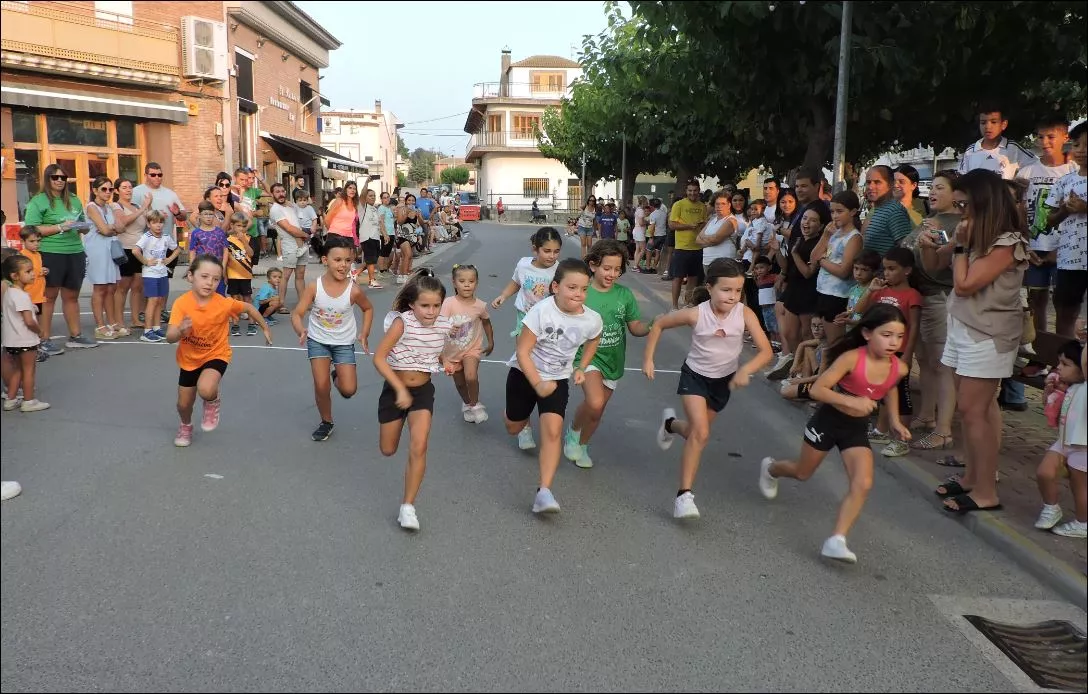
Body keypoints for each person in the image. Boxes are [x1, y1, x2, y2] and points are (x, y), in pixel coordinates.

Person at [759, 304, 912, 563]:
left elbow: (890, 388)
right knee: (802, 473)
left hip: (855, 429)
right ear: (866, 334)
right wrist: (853, 402)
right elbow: (819, 389)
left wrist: (895, 421)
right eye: (886, 335)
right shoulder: (851, 358)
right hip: (828, 421)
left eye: (899, 336)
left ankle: (836, 539)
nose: (893, 342)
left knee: (862, 483)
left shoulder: (900, 368)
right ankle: (771, 468)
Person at [643, 259, 774, 519]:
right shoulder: (695, 314)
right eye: (726, 290)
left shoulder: (744, 314)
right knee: (701, 434)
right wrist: (648, 358)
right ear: (710, 287)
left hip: (722, 382)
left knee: (694, 432)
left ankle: (670, 425)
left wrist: (746, 370)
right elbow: (659, 324)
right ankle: (684, 496)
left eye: (738, 291)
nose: (733, 296)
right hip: (695, 377)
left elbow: (766, 351)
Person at [934, 169, 1029, 514]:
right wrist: (953, 243)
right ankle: (972, 478)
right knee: (975, 411)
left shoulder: (1007, 242)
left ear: (982, 202)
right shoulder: (979, 236)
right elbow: (937, 263)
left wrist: (960, 245)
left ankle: (987, 490)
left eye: (965, 204)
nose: (961, 211)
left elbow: (964, 284)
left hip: (988, 336)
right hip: (964, 327)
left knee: (974, 411)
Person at [504, 258, 602, 514]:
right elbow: (523, 351)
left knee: (552, 432)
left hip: (557, 379)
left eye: (583, 289)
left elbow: (594, 339)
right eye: (572, 288)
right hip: (524, 375)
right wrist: (537, 383)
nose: (579, 294)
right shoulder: (540, 311)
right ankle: (520, 421)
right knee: (513, 426)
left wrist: (581, 367)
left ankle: (544, 492)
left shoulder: (591, 319)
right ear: (555, 287)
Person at [372, 269, 453, 531]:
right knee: (388, 449)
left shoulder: (443, 324)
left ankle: (408, 507)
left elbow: (438, 349)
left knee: (419, 446)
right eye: (425, 306)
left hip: (423, 392)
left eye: (436, 306)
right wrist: (400, 389)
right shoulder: (402, 323)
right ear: (412, 304)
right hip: (395, 389)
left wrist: (446, 361)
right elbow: (379, 358)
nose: (431, 311)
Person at [565, 240, 654, 468]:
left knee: (597, 411)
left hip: (614, 360)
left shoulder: (624, 295)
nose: (612, 274)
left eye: (617, 269)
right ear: (593, 265)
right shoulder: (583, 292)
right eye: (607, 268)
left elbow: (635, 328)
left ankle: (583, 445)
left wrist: (654, 324)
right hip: (587, 357)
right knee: (594, 402)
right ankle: (573, 432)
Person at [167, 255, 272, 447]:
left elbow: (248, 307)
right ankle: (185, 425)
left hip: (216, 354)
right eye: (204, 276)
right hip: (189, 359)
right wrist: (180, 330)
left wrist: (264, 327)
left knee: (206, 389)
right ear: (191, 276)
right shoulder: (181, 304)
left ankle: (212, 401)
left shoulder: (223, 303)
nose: (210, 283)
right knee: (183, 405)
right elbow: (169, 337)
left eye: (216, 279)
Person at [292, 235, 374, 442]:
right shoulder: (314, 287)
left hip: (344, 343)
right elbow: (297, 312)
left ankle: (336, 376)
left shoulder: (353, 290)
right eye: (338, 260)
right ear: (325, 260)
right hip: (318, 341)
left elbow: (368, 309)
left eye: (348, 260)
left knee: (348, 390)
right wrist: (301, 329)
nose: (343, 265)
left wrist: (364, 333)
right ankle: (326, 421)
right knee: (321, 386)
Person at [490, 227, 564, 450]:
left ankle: (542, 399)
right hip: (525, 319)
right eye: (547, 250)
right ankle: (524, 426)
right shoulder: (523, 264)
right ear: (535, 249)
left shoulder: (560, 271)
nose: (552, 256)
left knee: (542, 364)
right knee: (525, 363)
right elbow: (516, 282)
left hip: (550, 323)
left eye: (556, 251)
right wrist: (503, 295)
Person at [850, 247, 923, 456]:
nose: (887, 274)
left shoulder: (912, 296)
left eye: (892, 269)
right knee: (884, 393)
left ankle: (901, 439)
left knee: (901, 395)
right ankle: (881, 431)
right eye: (885, 269)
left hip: (898, 353)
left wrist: (908, 354)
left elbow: (914, 327)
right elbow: (859, 310)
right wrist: (871, 290)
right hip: (878, 352)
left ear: (907, 271)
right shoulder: (881, 290)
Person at [23, 163, 97, 355]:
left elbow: (84, 226)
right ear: (47, 180)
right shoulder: (38, 201)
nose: (59, 181)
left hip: (75, 251)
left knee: (72, 296)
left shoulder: (74, 200)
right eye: (55, 178)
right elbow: (31, 230)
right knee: (48, 297)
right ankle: (44, 339)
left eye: (63, 178)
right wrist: (60, 227)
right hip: (51, 253)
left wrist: (83, 226)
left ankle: (75, 336)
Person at [1018, 117, 1075, 339]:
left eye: (1051, 136)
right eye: (1040, 137)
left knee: (1064, 308)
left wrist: (1060, 250)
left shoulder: (1074, 170)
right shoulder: (1026, 172)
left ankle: (1064, 360)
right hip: (1034, 249)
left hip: (1066, 252)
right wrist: (1025, 245)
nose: (1045, 142)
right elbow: (1019, 212)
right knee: (1035, 304)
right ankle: (1040, 356)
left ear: (1065, 137)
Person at [1033, 341, 1087, 538]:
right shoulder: (1069, 387)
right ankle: (1051, 507)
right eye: (1059, 363)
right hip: (1064, 442)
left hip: (1083, 446)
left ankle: (1083, 523)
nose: (1059, 368)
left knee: (1079, 487)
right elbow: (1054, 412)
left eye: (1065, 364)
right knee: (1044, 472)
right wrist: (1050, 393)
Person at [1045, 121, 1087, 338]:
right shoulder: (1064, 182)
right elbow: (1049, 220)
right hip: (1070, 259)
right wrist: (1064, 210)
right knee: (1065, 313)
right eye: (1078, 145)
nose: (1081, 151)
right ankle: (1065, 363)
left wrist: (1084, 208)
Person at [441, 264, 495, 424]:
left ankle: (475, 403)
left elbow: (486, 322)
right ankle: (467, 403)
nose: (466, 284)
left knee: (470, 376)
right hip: (451, 351)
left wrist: (491, 341)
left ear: (476, 283)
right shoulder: (448, 303)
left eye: (471, 281)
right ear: (454, 282)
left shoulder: (480, 305)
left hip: (472, 348)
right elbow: (439, 323)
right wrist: (449, 328)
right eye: (462, 281)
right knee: (459, 382)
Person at [812, 191, 864, 349]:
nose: (835, 216)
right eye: (832, 211)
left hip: (838, 295)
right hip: (823, 291)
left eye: (840, 211)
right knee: (825, 342)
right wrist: (826, 236)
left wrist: (822, 260)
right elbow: (813, 256)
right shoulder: (834, 233)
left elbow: (844, 271)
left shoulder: (854, 238)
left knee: (835, 344)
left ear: (853, 212)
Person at [2, 254, 49, 412]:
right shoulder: (22, 296)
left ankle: (11, 399)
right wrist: (40, 330)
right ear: (15, 276)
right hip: (25, 340)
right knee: (29, 370)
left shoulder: (9, 293)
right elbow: (29, 321)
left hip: (11, 340)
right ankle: (29, 401)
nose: (33, 274)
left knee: (17, 370)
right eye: (28, 271)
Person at [84, 175, 125, 340]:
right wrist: (111, 228)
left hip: (110, 250)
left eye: (110, 189)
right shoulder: (91, 207)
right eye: (104, 189)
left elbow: (120, 227)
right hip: (97, 250)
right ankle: (100, 325)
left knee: (111, 287)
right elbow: (105, 229)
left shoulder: (109, 208)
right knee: (100, 288)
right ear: (95, 190)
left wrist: (110, 228)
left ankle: (112, 322)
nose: (108, 192)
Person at [133, 210, 180, 343]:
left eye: (160, 223)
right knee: (152, 301)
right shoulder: (146, 237)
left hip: (162, 272)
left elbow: (177, 249)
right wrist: (146, 261)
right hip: (150, 274)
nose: (158, 225)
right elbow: (135, 250)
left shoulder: (165, 236)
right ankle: (147, 331)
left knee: (159, 301)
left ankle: (156, 327)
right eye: (154, 223)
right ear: (149, 224)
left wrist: (169, 259)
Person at [958, 102, 1037, 180]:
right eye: (983, 122)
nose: (988, 127)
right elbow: (962, 180)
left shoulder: (1013, 148)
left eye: (993, 122)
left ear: (1004, 124)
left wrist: (1018, 185)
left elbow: (1036, 165)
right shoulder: (971, 151)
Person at [668, 181, 709, 310]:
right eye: (690, 190)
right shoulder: (678, 204)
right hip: (681, 248)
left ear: (699, 191)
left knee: (693, 279)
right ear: (686, 191)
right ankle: (674, 306)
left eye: (695, 190)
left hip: (698, 248)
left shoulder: (702, 206)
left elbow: (704, 224)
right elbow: (672, 225)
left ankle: (688, 303)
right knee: (678, 278)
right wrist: (689, 226)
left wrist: (701, 226)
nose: (692, 193)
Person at [268, 183, 309, 309]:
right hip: (290, 245)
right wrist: (305, 235)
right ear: (272, 194)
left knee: (300, 276)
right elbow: (289, 228)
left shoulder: (289, 205)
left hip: (301, 244)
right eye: (277, 192)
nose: (281, 194)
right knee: (285, 275)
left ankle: (303, 303)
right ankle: (280, 304)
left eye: (282, 191)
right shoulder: (275, 209)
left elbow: (307, 201)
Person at [187, 201, 229, 296]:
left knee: (219, 296)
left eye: (211, 214)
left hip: (217, 269)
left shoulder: (220, 232)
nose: (208, 217)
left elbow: (226, 250)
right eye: (205, 214)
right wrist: (192, 269)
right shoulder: (196, 233)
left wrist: (223, 267)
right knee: (203, 295)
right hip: (202, 269)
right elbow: (192, 251)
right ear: (200, 215)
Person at [17, 228, 47, 361]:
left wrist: (43, 270)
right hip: (29, 296)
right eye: (32, 241)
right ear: (22, 241)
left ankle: (36, 346)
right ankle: (28, 349)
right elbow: (26, 273)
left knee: (37, 320)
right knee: (28, 322)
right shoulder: (23, 255)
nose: (36, 244)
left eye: (38, 241)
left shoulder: (38, 255)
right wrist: (40, 271)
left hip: (38, 294)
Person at [225, 213, 256, 337]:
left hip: (245, 275)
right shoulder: (228, 240)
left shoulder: (248, 238)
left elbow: (251, 253)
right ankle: (235, 324)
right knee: (234, 300)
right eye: (238, 226)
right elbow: (226, 259)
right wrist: (225, 275)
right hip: (232, 275)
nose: (241, 229)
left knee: (247, 299)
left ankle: (252, 323)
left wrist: (243, 240)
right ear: (232, 226)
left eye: (243, 226)